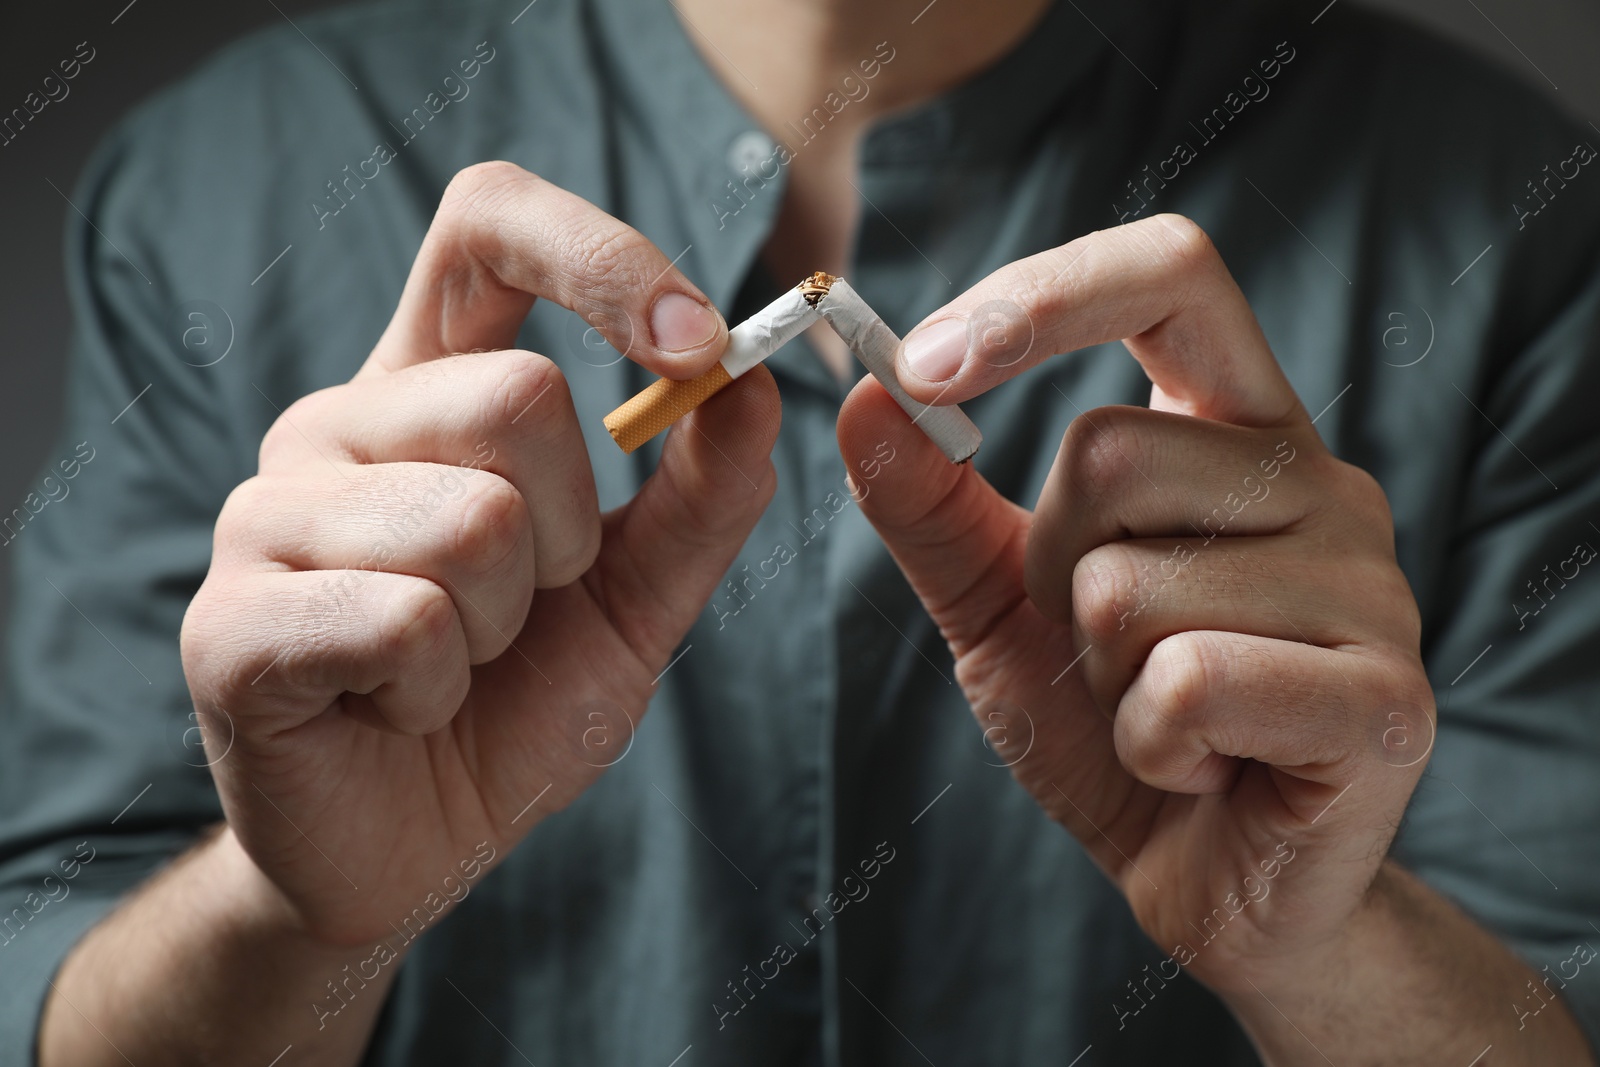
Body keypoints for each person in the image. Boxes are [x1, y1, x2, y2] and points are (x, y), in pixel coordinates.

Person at [3, 0, 1598, 1062]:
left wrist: (1310, 944)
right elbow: (48, 968)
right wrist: (292, 915)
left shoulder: (1503, 215)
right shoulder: (224, 189)